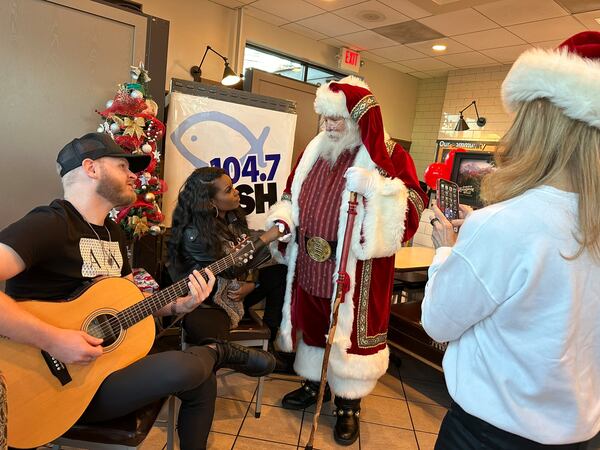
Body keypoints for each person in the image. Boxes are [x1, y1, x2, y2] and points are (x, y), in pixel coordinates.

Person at [0, 133, 275, 450]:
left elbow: (129, 301)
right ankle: (220, 351)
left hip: (105, 371)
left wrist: (175, 307)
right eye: (122, 166)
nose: (134, 175)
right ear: (91, 168)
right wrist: (53, 339)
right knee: (185, 365)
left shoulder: (112, 232)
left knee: (201, 379)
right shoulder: (50, 224)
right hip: (58, 387)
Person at [421, 31, 600, 449]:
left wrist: (448, 248)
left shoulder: (503, 225)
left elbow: (438, 322)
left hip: (488, 436)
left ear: (539, 123)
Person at [265, 76, 427, 445]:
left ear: (358, 118)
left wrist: (377, 190)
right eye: (324, 118)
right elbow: (292, 193)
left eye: (336, 119)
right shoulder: (315, 148)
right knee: (313, 321)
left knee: (349, 336)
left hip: (356, 270)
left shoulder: (390, 156)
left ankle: (348, 404)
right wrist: (284, 218)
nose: (328, 126)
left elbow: (415, 205)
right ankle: (312, 382)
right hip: (310, 261)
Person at [167, 167, 291, 369]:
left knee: (279, 272)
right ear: (210, 202)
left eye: (232, 186)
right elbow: (230, 267)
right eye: (228, 190)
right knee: (211, 347)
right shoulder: (194, 233)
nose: (236, 192)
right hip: (208, 302)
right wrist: (267, 237)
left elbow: (246, 250)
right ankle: (228, 357)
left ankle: (268, 346)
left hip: (234, 290)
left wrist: (253, 283)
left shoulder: (232, 217)